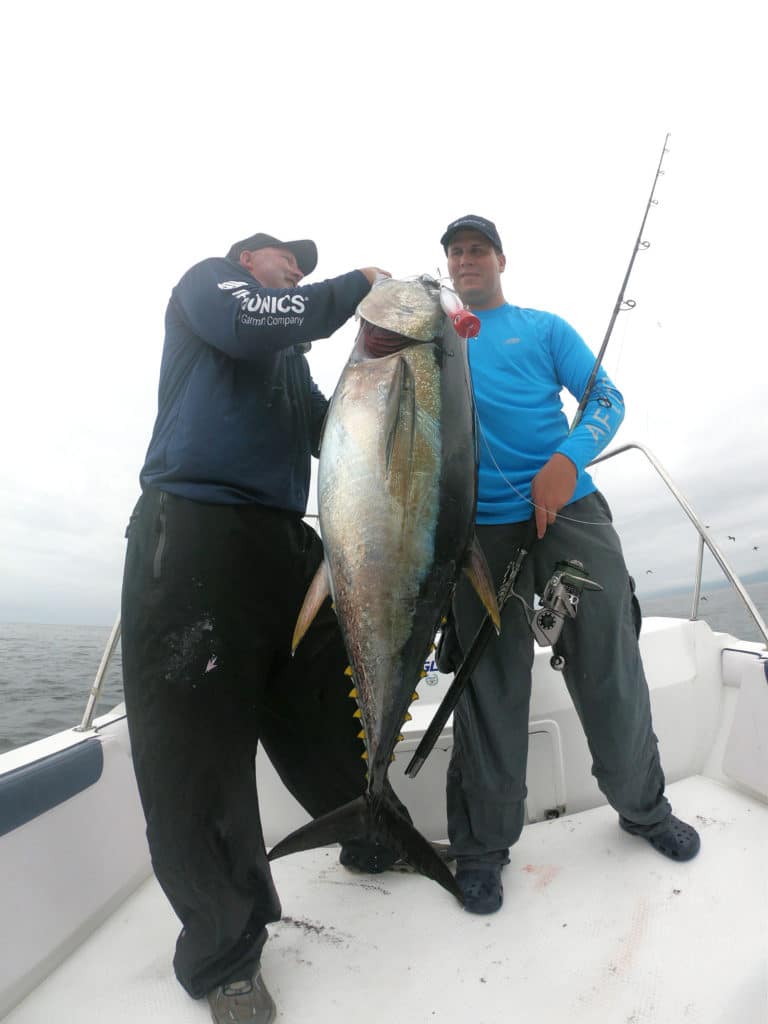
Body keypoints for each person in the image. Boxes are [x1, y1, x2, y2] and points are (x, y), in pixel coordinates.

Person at [121, 231, 400, 1023]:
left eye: (309, 268)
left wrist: (392, 363)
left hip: (286, 540)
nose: (301, 272)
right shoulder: (211, 290)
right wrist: (355, 286)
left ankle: (375, 834)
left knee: (327, 705)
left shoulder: (291, 358)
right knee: (196, 753)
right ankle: (224, 953)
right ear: (249, 260)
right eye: (290, 261)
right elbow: (258, 322)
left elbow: (333, 432)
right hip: (196, 533)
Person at [438, 214, 700, 915]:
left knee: (609, 666)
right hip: (477, 536)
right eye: (455, 251)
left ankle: (645, 809)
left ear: (499, 258)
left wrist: (566, 461)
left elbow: (606, 398)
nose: (466, 259)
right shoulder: (435, 338)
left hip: (571, 512)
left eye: (477, 248)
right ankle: (482, 849)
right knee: (488, 688)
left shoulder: (544, 327)